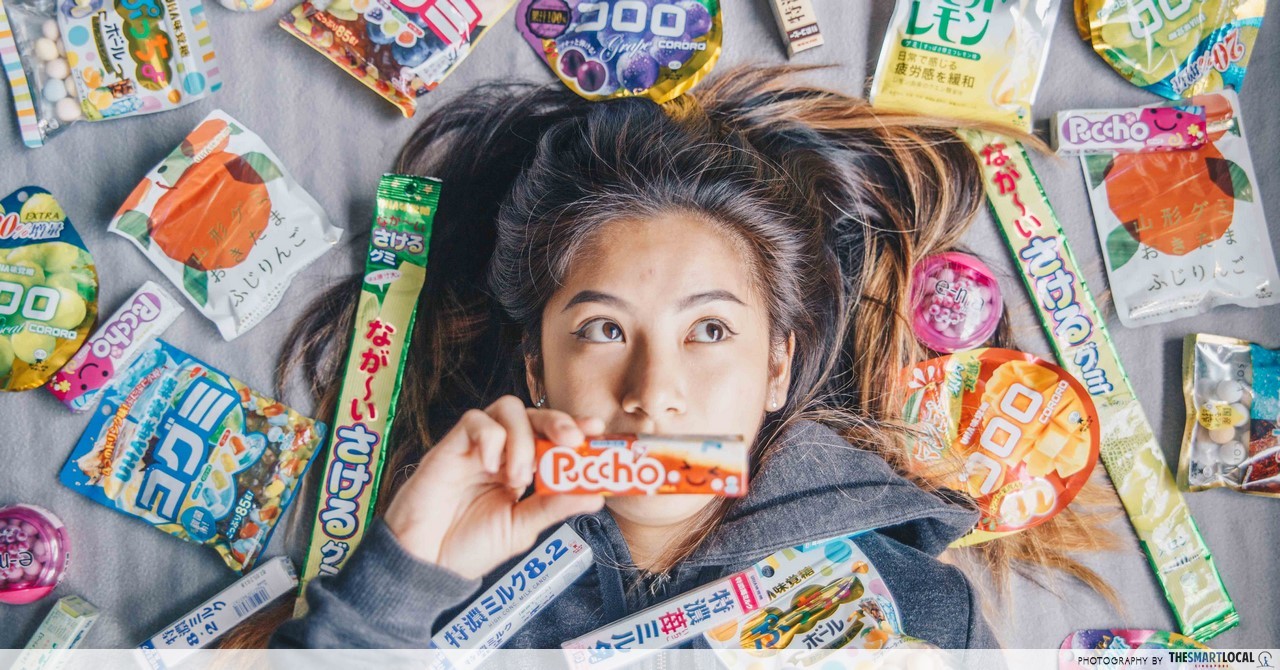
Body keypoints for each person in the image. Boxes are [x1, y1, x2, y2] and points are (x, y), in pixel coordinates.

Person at [226, 66, 1116, 652]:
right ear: (537, 371)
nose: (653, 396)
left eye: (710, 331)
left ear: (778, 365)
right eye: (604, 331)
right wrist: (394, 585)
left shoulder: (921, 614)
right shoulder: (425, 602)